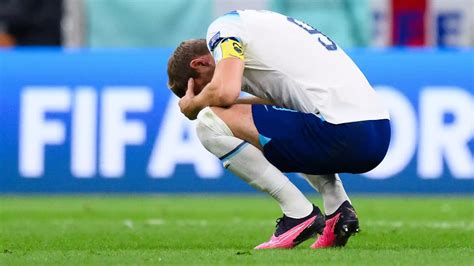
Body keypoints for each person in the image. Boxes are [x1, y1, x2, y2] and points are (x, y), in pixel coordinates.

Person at [167, 10, 390, 249]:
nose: (206, 97)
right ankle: (338, 210)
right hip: (379, 132)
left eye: (200, 88)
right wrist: (222, 104)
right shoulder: (260, 27)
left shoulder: (222, 31)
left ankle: (298, 214)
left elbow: (225, 92)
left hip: (343, 131)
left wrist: (195, 105)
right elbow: (281, 103)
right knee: (292, 121)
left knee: (208, 122)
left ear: (199, 63)